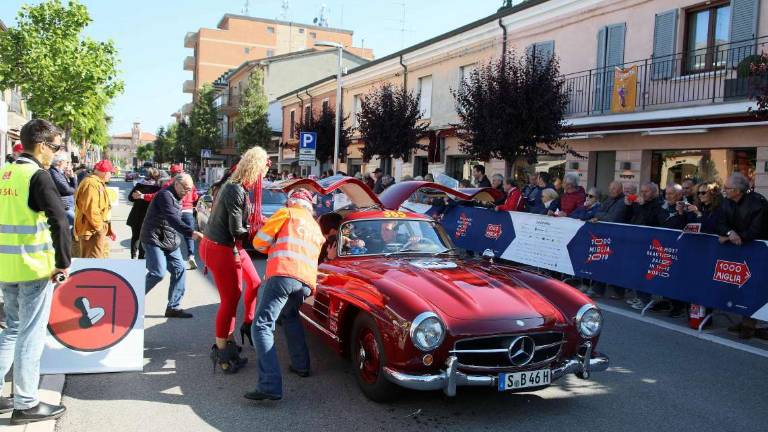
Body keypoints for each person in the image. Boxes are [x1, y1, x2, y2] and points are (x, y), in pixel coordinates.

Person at [0, 119, 69, 424]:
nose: (55, 154)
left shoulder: (5, 172)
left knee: (12, 329)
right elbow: (59, 221)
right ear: (41, 146)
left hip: (6, 266)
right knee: (30, 333)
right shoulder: (37, 176)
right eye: (55, 147)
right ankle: (26, 402)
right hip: (33, 267)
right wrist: (64, 262)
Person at [246, 189, 325, 401]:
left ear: (292, 201)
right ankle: (301, 365)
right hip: (306, 283)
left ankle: (269, 384)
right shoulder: (316, 227)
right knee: (290, 317)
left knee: (262, 325)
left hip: (283, 274)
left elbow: (259, 243)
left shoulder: (287, 213)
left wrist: (273, 242)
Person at [200, 147, 268, 373]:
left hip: (227, 245)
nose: (267, 170)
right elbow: (237, 229)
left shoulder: (236, 188)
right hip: (221, 247)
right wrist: (260, 230)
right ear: (256, 168)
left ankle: (245, 326)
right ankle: (222, 350)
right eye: (265, 166)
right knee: (230, 299)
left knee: (254, 283)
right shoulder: (235, 189)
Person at [141, 174, 204, 319]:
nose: (187, 192)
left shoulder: (178, 195)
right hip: (153, 239)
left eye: (190, 190)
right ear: (176, 184)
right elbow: (173, 219)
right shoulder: (165, 195)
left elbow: (173, 222)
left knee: (180, 269)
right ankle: (131, 298)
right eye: (185, 189)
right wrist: (191, 233)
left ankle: (173, 307)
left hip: (170, 239)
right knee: (158, 273)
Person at [717, 173, 768, 339]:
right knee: (741, 284)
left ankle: (751, 324)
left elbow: (758, 230)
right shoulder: (726, 202)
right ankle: (744, 320)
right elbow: (720, 222)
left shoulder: (758, 203)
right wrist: (730, 233)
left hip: (758, 251)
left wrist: (738, 237)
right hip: (738, 249)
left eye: (727, 188)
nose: (724, 191)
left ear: (738, 190)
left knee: (756, 286)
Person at [133, 164, 200, 269]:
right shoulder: (189, 183)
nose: (185, 192)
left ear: (171, 173)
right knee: (188, 234)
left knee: (182, 232)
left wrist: (142, 196)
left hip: (175, 214)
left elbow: (156, 196)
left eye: (187, 190)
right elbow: (195, 196)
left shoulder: (169, 184)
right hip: (187, 211)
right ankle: (191, 255)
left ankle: (168, 260)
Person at [626, 182, 666, 310]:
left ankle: (645, 299)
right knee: (636, 270)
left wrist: (642, 206)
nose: (643, 194)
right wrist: (629, 205)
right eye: (641, 191)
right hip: (636, 240)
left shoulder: (658, 204)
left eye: (646, 191)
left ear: (654, 193)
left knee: (645, 271)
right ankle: (639, 296)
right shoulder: (640, 203)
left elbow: (652, 221)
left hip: (649, 242)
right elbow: (631, 217)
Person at [588, 182, 628, 299]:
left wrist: (600, 216)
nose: (612, 191)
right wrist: (601, 215)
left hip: (618, 237)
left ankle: (618, 291)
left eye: (615, 188)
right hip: (606, 236)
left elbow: (613, 218)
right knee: (603, 261)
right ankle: (599, 290)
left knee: (614, 264)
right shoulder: (609, 199)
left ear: (621, 189)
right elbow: (597, 211)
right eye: (610, 188)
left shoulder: (623, 201)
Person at [73, 159, 116, 258]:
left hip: (95, 230)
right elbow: (91, 210)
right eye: (110, 172)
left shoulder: (96, 182)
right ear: (104, 172)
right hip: (92, 232)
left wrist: (107, 229)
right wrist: (100, 228)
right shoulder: (91, 184)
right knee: (94, 263)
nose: (111, 175)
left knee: (99, 262)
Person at [126, 168, 161, 259]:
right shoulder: (158, 188)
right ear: (157, 177)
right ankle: (141, 258)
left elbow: (130, 198)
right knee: (144, 238)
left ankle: (133, 256)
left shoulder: (139, 185)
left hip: (136, 215)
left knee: (135, 237)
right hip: (149, 216)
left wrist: (137, 196)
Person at [48, 154, 77, 227]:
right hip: (64, 208)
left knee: (71, 227)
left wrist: (71, 177)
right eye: (66, 162)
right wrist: (73, 186)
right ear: (59, 162)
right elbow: (67, 190)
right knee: (77, 223)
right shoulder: (54, 173)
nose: (67, 165)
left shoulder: (59, 173)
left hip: (68, 206)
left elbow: (71, 188)